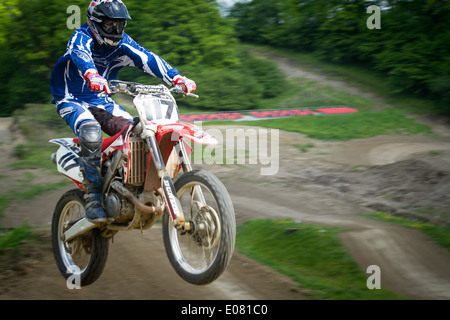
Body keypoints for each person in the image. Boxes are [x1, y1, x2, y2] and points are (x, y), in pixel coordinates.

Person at [50, 0, 196, 224]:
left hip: (101, 100)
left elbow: (148, 58)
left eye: (120, 25)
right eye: (110, 24)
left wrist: (177, 77)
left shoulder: (122, 43)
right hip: (72, 98)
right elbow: (80, 55)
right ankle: (93, 197)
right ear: (95, 22)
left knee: (138, 131)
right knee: (90, 132)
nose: (116, 30)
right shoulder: (81, 37)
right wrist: (91, 75)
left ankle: (128, 183)